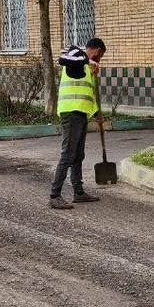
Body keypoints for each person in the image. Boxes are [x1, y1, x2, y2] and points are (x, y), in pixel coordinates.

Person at [49, 37, 106, 209]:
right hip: (70, 113)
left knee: (78, 155)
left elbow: (87, 94)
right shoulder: (76, 55)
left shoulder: (87, 68)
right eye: (100, 56)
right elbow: (62, 58)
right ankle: (54, 195)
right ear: (97, 51)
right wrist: (87, 59)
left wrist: (97, 113)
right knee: (67, 155)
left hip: (81, 114)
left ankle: (78, 192)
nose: (99, 59)